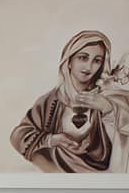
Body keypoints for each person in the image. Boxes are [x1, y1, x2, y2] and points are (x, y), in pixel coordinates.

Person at [10, 30, 118, 172]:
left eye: (97, 60)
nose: (89, 67)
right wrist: (52, 139)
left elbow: (121, 139)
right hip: (55, 171)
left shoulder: (107, 98)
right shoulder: (50, 101)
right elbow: (19, 135)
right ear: (69, 61)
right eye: (83, 58)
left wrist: (108, 110)